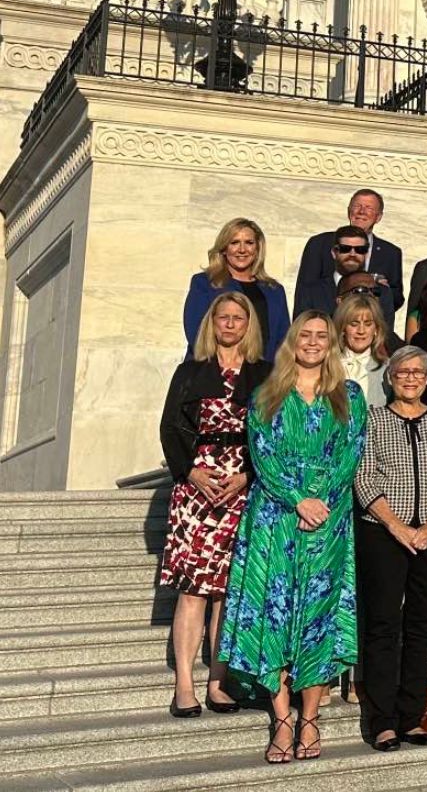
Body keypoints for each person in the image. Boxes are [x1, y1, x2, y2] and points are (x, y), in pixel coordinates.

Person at [217, 312, 366, 763]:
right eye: (306, 335)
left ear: (332, 343)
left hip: (329, 520)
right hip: (276, 517)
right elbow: (262, 458)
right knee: (275, 616)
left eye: (322, 336)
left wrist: (318, 500)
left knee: (318, 618)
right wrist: (298, 499)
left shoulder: (350, 395)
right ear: (292, 341)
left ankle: (310, 718)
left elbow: (351, 453)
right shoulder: (267, 394)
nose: (314, 342)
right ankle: (282, 720)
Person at [158, 292, 269, 718]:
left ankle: (218, 680)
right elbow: (170, 428)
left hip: (243, 484)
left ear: (249, 324)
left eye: (238, 317)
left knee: (228, 591)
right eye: (222, 316)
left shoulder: (265, 373)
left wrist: (247, 476)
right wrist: (191, 472)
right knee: (193, 592)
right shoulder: (190, 372)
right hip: (197, 488)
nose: (230, 323)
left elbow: (274, 432)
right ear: (212, 323)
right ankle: (183, 684)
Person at [353, 345, 427, 749]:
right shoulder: (374, 420)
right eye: (403, 373)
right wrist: (397, 526)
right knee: (383, 625)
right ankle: (382, 719)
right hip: (383, 532)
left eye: (418, 372)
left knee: (422, 625)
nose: (411, 378)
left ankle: (412, 716)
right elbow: (363, 478)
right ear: (390, 378)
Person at [185, 217, 290, 354]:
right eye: (234, 243)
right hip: (213, 368)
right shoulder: (205, 283)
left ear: (257, 248)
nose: (242, 249)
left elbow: (284, 339)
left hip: (263, 370)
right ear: (224, 249)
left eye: (249, 243)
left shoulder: (274, 290)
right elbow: (196, 332)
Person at [293, 189, 404, 316]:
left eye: (369, 208)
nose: (361, 211)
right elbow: (304, 292)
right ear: (348, 211)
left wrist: (380, 291)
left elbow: (396, 298)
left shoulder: (390, 253)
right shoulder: (319, 243)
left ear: (378, 217)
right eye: (357, 206)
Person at [294, 223, 398, 321]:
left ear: (366, 254)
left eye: (360, 249)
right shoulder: (310, 293)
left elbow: (386, 335)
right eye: (345, 249)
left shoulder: (382, 293)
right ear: (334, 253)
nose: (352, 254)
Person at [334, 292, 390, 409]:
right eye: (354, 324)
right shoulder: (328, 366)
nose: (361, 331)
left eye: (368, 324)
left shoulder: (388, 368)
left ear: (376, 329)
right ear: (343, 328)